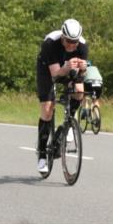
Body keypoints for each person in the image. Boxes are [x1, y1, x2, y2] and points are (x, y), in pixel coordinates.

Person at [35, 19, 88, 173]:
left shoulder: (82, 46)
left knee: (79, 91)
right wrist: (65, 67)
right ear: (63, 37)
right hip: (48, 70)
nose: (72, 45)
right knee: (47, 108)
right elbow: (55, 75)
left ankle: (69, 123)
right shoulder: (51, 43)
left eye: (75, 42)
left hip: (67, 68)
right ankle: (42, 154)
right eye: (69, 41)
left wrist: (83, 69)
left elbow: (81, 75)